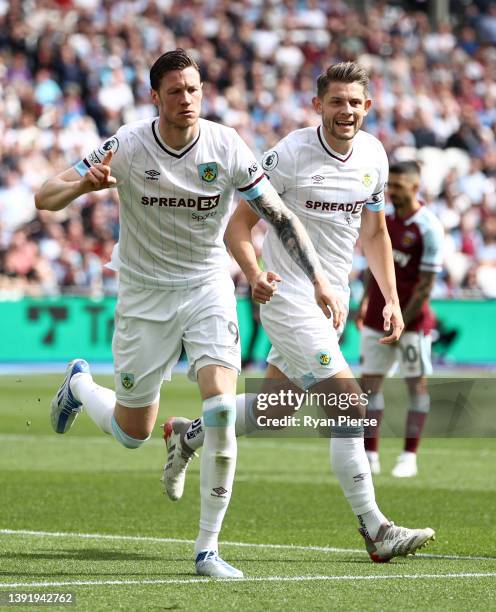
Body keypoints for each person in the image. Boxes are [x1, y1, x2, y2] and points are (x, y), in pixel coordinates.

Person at [34, 49, 341, 579]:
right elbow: (45, 196)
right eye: (175, 91)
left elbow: (279, 214)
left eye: (194, 89)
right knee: (133, 433)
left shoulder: (226, 145)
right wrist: (84, 184)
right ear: (155, 97)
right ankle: (80, 385)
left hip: (206, 288)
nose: (187, 99)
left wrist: (316, 279)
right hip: (143, 295)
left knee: (221, 411)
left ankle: (207, 550)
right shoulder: (127, 144)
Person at [162, 62, 436, 563]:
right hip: (289, 301)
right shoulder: (288, 155)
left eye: (355, 102)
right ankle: (376, 530)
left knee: (273, 413)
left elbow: (374, 234)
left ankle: (189, 433)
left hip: (333, 304)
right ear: (318, 106)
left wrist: (390, 297)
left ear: (367, 107)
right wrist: (254, 272)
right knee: (350, 406)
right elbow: (237, 226)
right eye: (336, 101)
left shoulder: (374, 155)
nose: (346, 111)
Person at [356, 161, 444, 477]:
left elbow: (425, 286)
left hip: (412, 323)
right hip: (377, 318)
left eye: (398, 186)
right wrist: (366, 302)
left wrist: (401, 320)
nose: (391, 191)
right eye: (388, 185)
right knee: (369, 386)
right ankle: (370, 455)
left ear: (415, 187)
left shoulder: (428, 227)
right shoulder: (384, 219)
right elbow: (372, 266)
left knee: (416, 387)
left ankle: (409, 455)